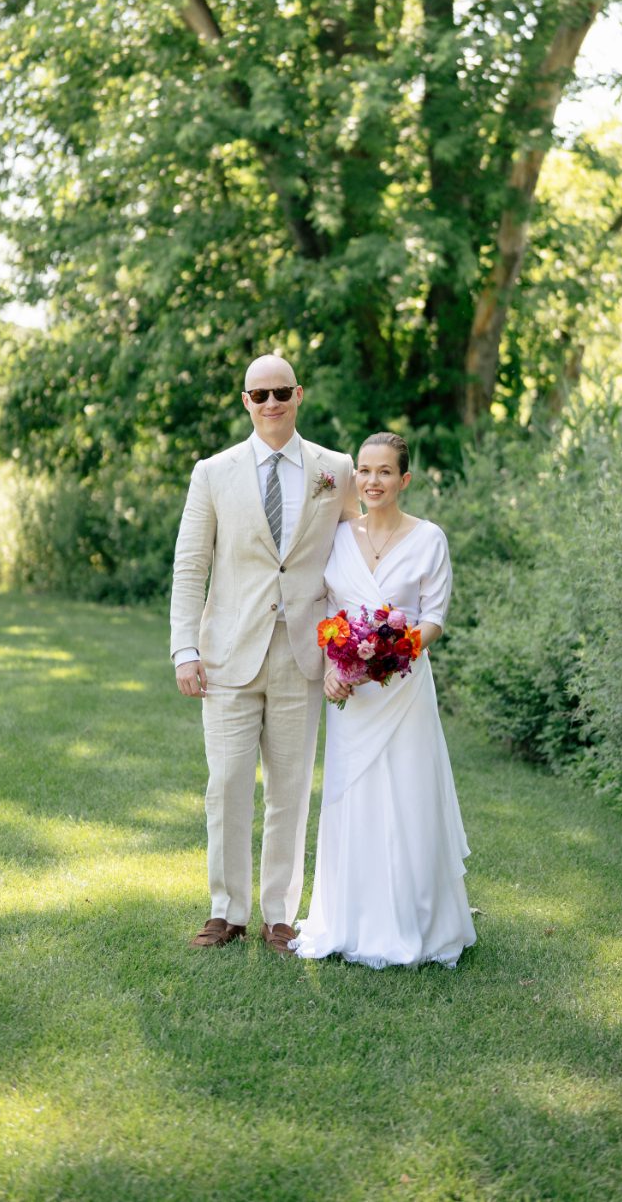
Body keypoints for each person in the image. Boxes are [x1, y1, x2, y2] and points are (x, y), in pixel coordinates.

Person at [170, 355, 359, 953]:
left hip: (304, 653)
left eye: (282, 392)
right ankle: (226, 911)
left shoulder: (337, 469)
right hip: (227, 653)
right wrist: (184, 649)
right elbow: (191, 565)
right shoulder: (213, 472)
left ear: (298, 394)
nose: (271, 403)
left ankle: (281, 914)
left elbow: (356, 557)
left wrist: (357, 641)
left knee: (290, 789)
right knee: (226, 784)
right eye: (260, 394)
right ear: (245, 401)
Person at [291, 432, 476, 969]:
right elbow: (327, 610)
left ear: (404, 480)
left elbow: (435, 619)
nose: (372, 481)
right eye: (364, 471)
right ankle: (349, 921)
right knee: (353, 798)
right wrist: (335, 666)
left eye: (385, 472)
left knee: (407, 794)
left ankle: (417, 923)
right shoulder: (339, 536)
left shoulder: (429, 539)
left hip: (402, 689)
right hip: (350, 694)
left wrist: (387, 657)